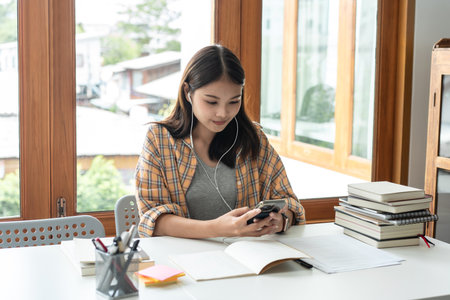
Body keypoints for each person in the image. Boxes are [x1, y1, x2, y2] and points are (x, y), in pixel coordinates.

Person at [135, 44, 305, 238]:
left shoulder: (253, 138)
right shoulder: (159, 139)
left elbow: (289, 203)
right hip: (183, 260)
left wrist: (282, 221)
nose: (223, 113)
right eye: (211, 102)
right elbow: (153, 219)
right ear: (187, 92)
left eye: (234, 101)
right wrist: (219, 228)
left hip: (248, 257)